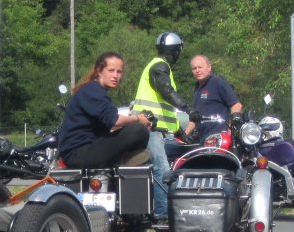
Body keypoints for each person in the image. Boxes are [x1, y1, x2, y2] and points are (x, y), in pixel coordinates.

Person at [130, 32, 195, 220]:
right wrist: (187, 108)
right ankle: (162, 213)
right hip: (149, 129)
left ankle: (160, 210)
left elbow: (165, 112)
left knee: (165, 167)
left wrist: (182, 133)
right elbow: (166, 91)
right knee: (161, 168)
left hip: (156, 129)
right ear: (175, 51)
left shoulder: (160, 66)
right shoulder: (159, 67)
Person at [59, 52, 151, 168]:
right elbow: (114, 120)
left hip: (87, 148)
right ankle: (123, 161)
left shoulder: (96, 91)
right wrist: (138, 118)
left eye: (119, 72)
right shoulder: (93, 90)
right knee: (138, 130)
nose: (115, 76)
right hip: (79, 152)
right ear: (99, 71)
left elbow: (109, 125)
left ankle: (124, 160)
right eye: (111, 70)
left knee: (138, 130)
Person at [184, 54, 243, 141]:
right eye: (194, 68)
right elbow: (194, 118)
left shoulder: (217, 82)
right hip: (203, 139)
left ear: (209, 67)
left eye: (200, 67)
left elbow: (236, 106)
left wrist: (230, 132)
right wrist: (184, 136)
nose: (197, 70)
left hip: (219, 138)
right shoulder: (197, 88)